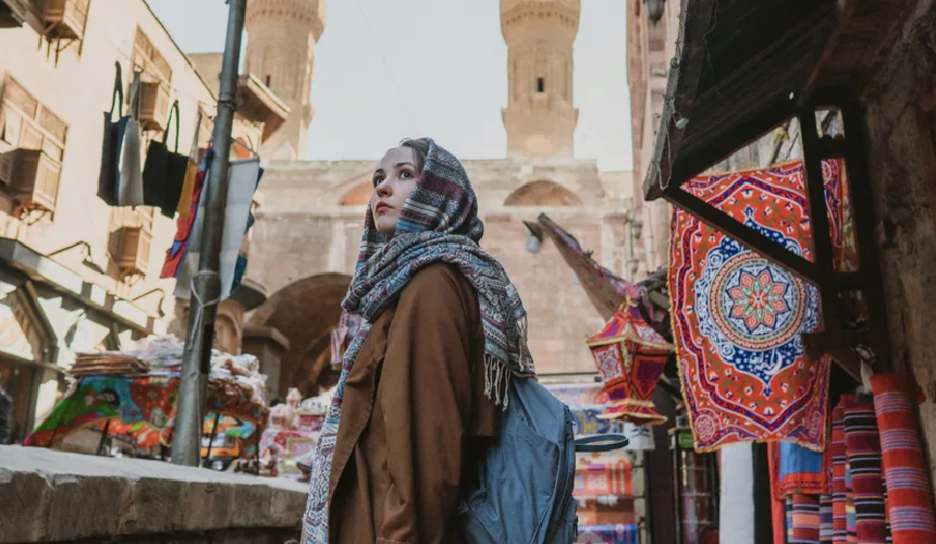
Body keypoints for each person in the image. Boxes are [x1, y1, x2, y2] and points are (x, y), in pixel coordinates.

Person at [303, 138, 535, 544]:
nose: (382, 187)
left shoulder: (431, 285)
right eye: (379, 177)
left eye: (405, 174)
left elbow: (425, 459)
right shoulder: (404, 288)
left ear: (441, 194)